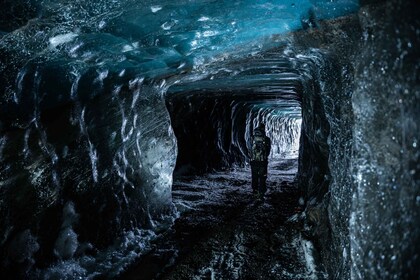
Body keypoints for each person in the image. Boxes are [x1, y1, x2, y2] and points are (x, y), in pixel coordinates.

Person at [250, 123, 271, 199]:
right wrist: (264, 157)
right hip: (263, 162)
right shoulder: (267, 139)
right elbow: (268, 151)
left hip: (253, 161)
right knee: (262, 177)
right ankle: (261, 193)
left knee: (254, 177)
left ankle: (254, 191)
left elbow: (249, 148)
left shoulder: (252, 138)